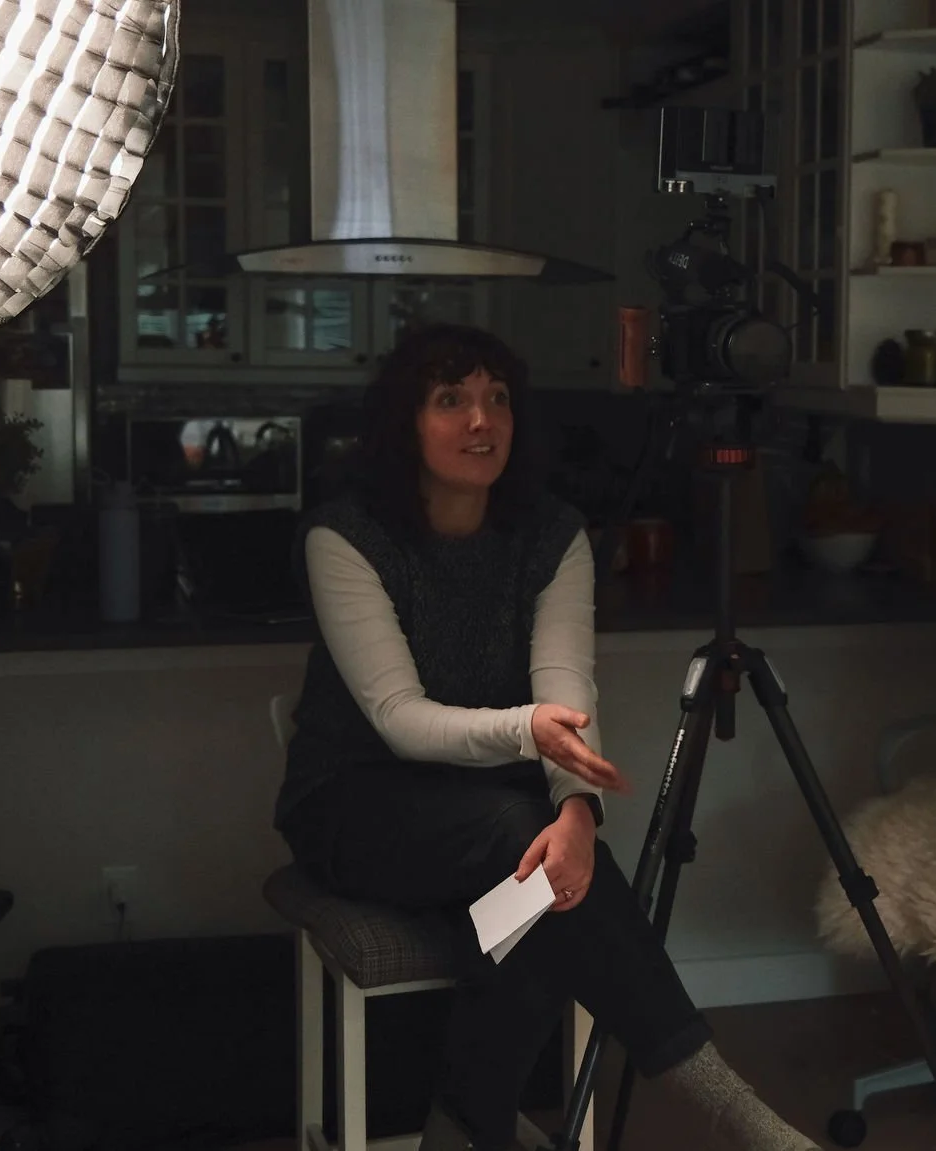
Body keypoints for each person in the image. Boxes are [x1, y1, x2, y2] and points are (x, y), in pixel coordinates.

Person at [275, 323, 819, 1151]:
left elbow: (567, 694)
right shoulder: (346, 536)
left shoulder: (552, 534)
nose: (479, 420)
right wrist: (533, 742)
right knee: (523, 850)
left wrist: (579, 816)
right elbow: (400, 718)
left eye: (496, 398)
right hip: (353, 798)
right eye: (450, 400)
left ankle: (464, 1131)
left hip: (498, 807)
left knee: (542, 884)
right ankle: (738, 1116)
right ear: (404, 422)